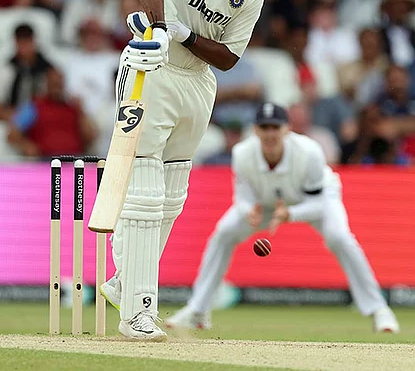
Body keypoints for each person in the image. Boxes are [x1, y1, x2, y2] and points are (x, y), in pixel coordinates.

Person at [98, 0, 269, 341]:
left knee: (173, 196)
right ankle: (137, 313)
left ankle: (124, 282)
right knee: (146, 191)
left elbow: (228, 58)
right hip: (153, 65)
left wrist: (184, 34)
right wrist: (159, 30)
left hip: (198, 81)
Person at [164, 103, 399, 333]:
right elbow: (243, 198)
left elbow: (319, 203)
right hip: (267, 205)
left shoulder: (309, 152)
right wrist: (248, 212)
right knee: (225, 232)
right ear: (255, 130)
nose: (270, 134)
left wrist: (290, 214)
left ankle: (379, 309)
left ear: (287, 129)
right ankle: (198, 311)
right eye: (264, 127)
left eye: (275, 127)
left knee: (339, 237)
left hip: (313, 201)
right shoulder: (242, 153)